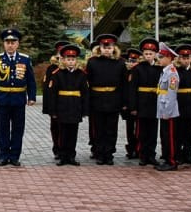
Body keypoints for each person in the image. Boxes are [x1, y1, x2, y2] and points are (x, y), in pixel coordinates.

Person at [0, 28, 37, 166]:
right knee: (3, 129)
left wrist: (31, 96)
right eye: (7, 42)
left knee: (18, 129)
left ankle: (14, 156)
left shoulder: (25, 59)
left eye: (13, 42)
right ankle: (3, 156)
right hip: (2, 99)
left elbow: (31, 80)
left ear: (17, 44)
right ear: (4, 44)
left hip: (19, 99)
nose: (10, 45)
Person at [85, 35, 125, 165]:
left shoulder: (120, 62)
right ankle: (99, 153)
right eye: (104, 47)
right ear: (100, 48)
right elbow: (88, 82)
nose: (107, 50)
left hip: (114, 99)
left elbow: (124, 83)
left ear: (114, 48)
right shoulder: (92, 62)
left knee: (111, 129)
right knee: (99, 128)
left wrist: (124, 102)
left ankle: (109, 153)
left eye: (110, 47)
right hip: (97, 99)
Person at [48, 44, 89, 165]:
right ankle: (62, 155)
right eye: (68, 59)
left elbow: (85, 93)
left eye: (73, 59)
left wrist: (85, 110)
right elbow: (52, 94)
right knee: (63, 133)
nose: (70, 62)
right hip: (62, 107)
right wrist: (53, 111)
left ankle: (71, 156)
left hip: (75, 107)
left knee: (73, 133)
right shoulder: (57, 74)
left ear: (76, 60)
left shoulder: (81, 74)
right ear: (63, 60)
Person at [126, 38, 163, 167]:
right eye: (146, 54)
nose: (148, 56)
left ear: (155, 54)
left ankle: (151, 155)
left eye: (151, 54)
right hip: (141, 103)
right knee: (142, 131)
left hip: (155, 103)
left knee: (153, 131)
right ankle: (142, 155)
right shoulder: (137, 69)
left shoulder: (160, 68)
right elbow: (132, 89)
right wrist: (133, 106)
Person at [173, 45, 191, 166]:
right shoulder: (175, 73)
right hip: (179, 106)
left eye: (188, 58)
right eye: (183, 58)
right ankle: (178, 154)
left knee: (190, 133)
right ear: (179, 59)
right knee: (179, 132)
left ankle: (188, 153)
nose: (185, 60)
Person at [154, 42, 179, 171]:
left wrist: (167, 112)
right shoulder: (165, 72)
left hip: (168, 111)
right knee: (164, 136)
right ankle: (166, 158)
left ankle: (172, 161)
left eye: (162, 57)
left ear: (169, 58)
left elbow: (171, 95)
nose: (160, 59)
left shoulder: (172, 73)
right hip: (163, 109)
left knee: (169, 136)